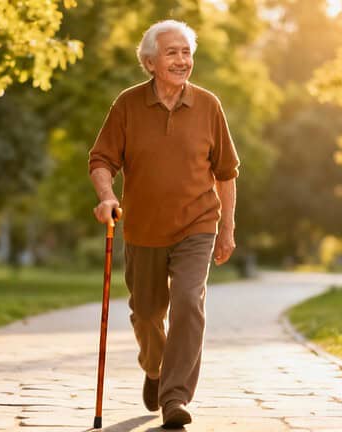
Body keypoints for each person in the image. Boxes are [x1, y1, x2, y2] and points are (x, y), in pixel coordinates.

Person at [88, 19, 239, 428]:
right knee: (147, 314)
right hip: (144, 230)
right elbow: (101, 159)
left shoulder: (208, 105)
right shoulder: (128, 105)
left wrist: (226, 230)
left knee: (190, 301)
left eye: (187, 52)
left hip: (198, 224)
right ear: (151, 62)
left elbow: (226, 172)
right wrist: (107, 197)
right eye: (172, 53)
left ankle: (175, 397)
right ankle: (154, 369)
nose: (181, 60)